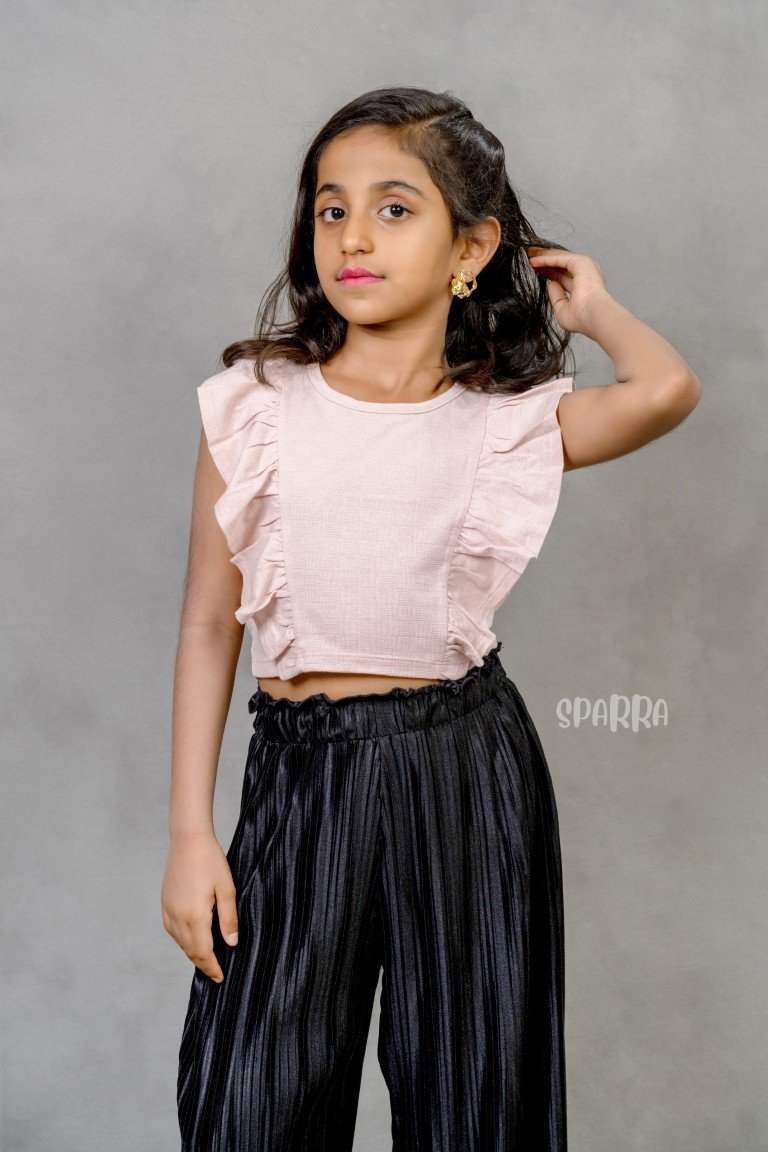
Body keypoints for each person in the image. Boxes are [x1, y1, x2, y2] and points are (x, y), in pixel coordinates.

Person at [162, 86, 701, 1152]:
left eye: (395, 208)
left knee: (475, 1102)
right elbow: (208, 624)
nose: (353, 236)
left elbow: (665, 388)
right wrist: (189, 833)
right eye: (331, 208)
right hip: (301, 772)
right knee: (250, 1104)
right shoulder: (254, 406)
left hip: (461, 768)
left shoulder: (506, 424)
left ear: (472, 247)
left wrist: (591, 306)